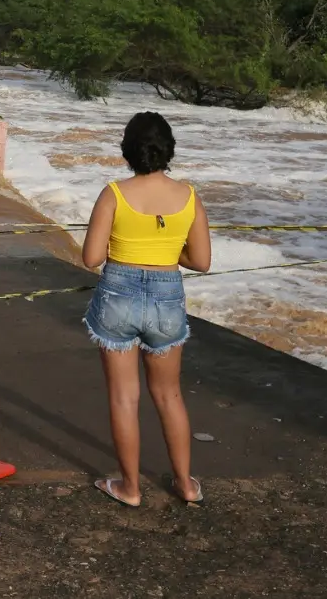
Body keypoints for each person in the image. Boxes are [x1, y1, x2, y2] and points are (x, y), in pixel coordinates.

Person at [80, 111, 212, 507]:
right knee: (169, 395)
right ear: (168, 149)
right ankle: (186, 485)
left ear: (128, 150)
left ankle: (130, 488)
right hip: (167, 297)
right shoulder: (189, 196)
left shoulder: (114, 194)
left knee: (124, 397)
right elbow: (202, 261)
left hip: (118, 294)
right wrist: (168, 251)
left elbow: (91, 257)